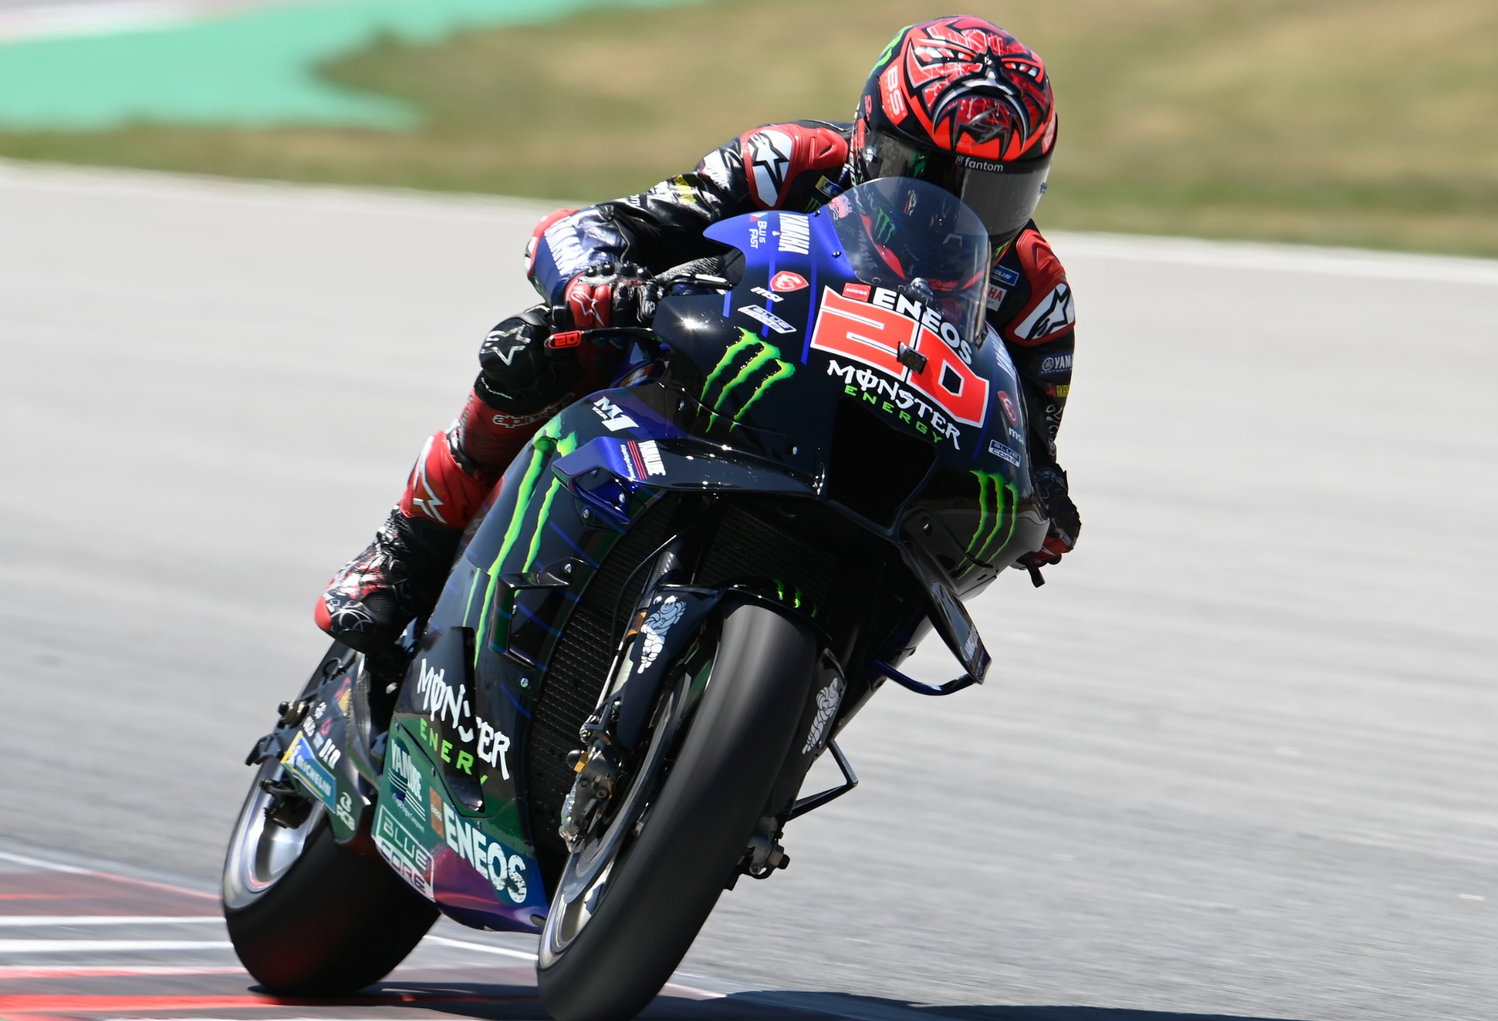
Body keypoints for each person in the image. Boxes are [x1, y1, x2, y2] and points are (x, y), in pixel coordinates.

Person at [315, 14, 1083, 654]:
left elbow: (1028, 442)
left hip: (871, 474)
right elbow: (612, 224)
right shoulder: (789, 162)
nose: (956, 214)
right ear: (868, 139)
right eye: (924, 176)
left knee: (924, 578)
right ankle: (405, 551)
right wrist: (594, 281)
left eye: (997, 192)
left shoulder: (1038, 298)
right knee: (538, 349)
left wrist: (1046, 508)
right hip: (714, 382)